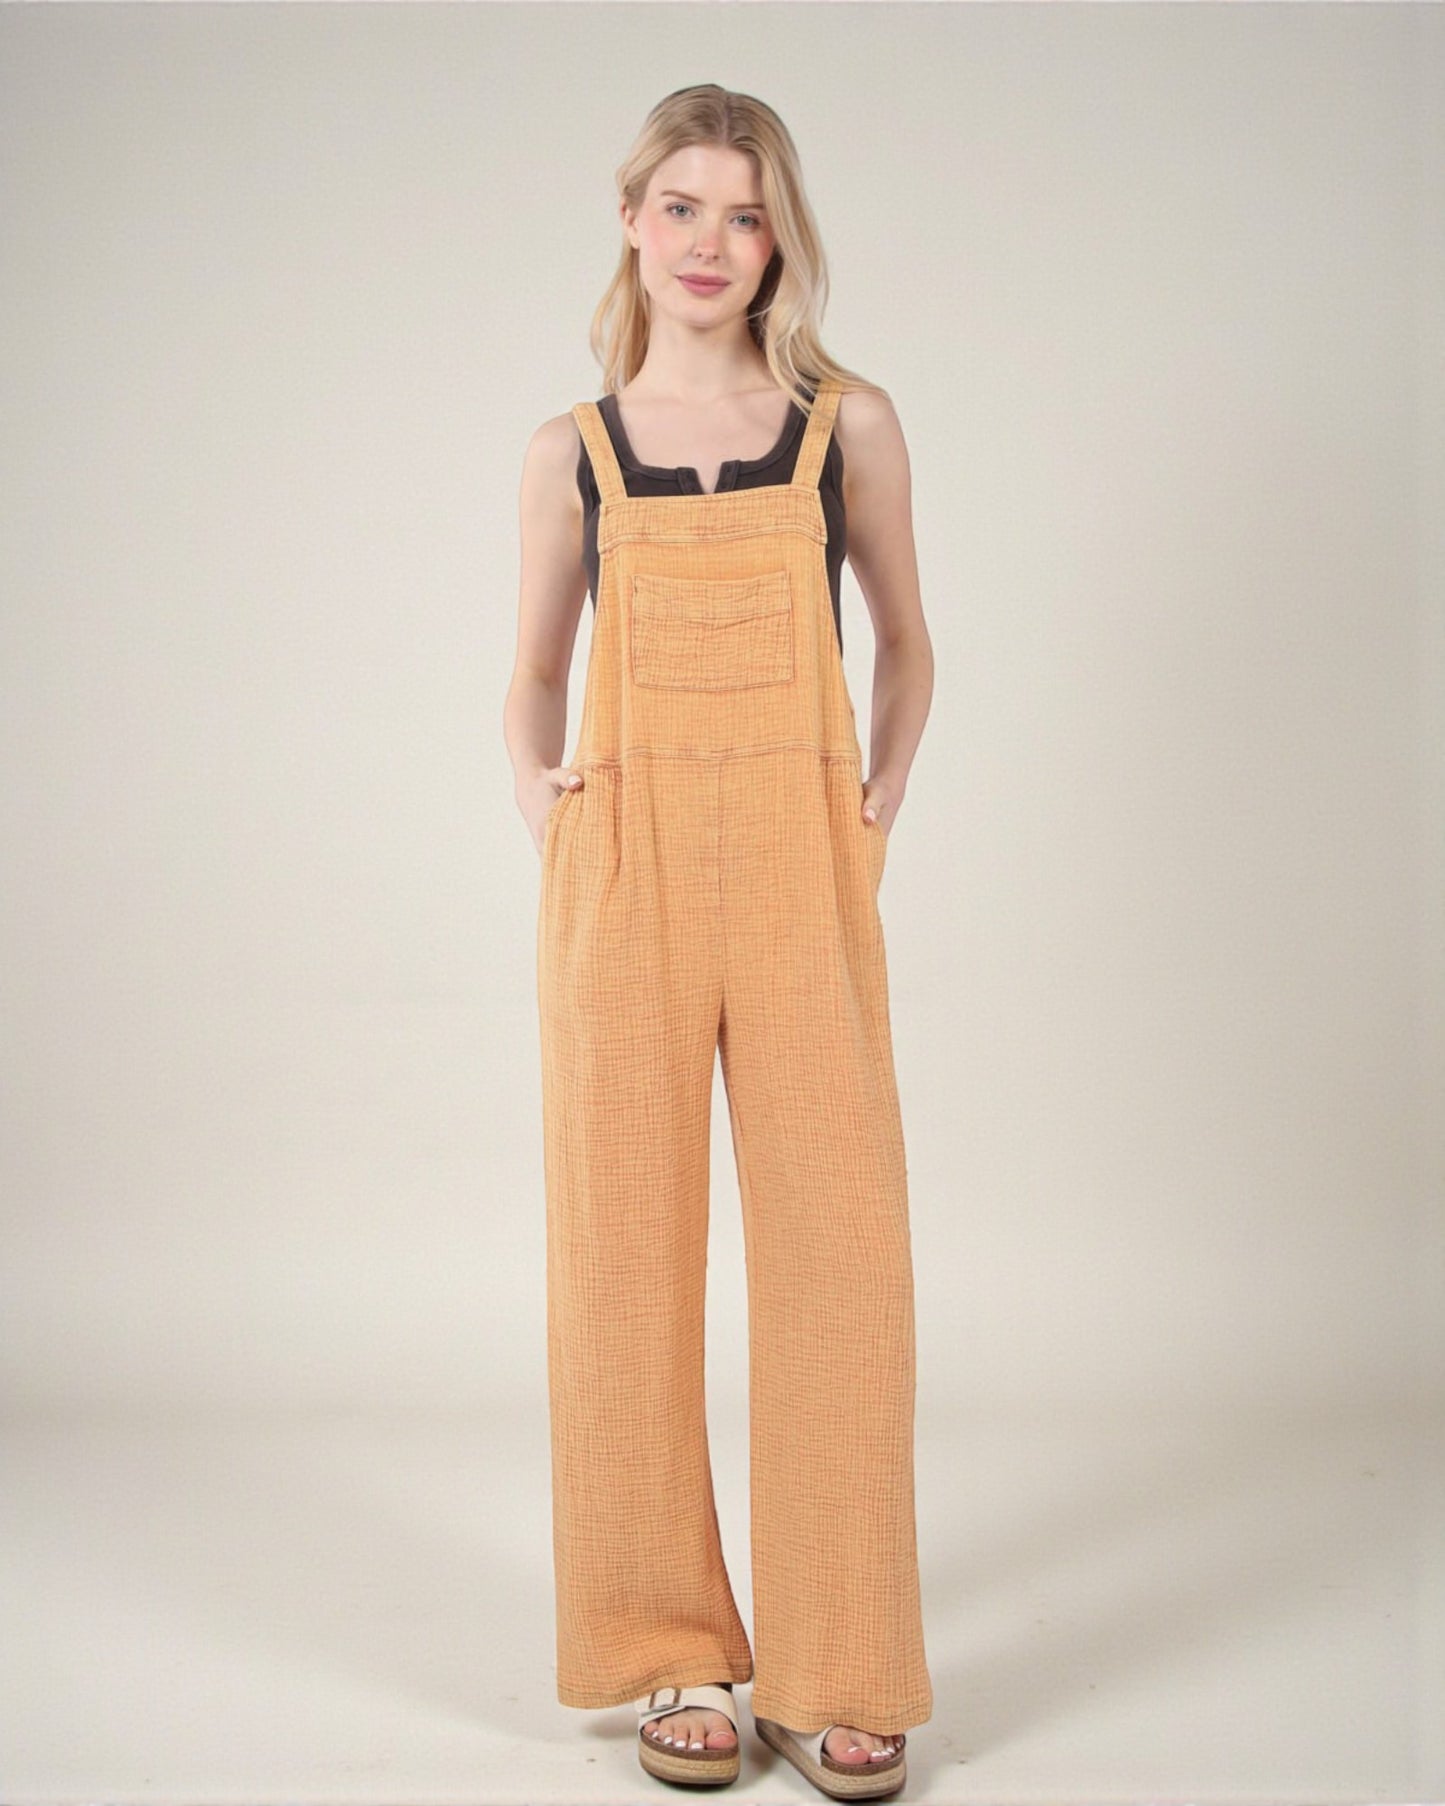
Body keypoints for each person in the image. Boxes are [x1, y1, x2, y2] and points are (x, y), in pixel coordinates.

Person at [504, 83, 935, 1800]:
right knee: (623, 1250)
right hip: (625, 869)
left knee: (840, 1254)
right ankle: (670, 1647)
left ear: (780, 239)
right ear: (630, 223)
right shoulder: (571, 449)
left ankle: (843, 1656)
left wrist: (875, 796)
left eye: (742, 215)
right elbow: (532, 671)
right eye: (677, 208)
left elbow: (908, 642)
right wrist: (556, 818)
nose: (708, 244)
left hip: (798, 862)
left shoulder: (850, 425)